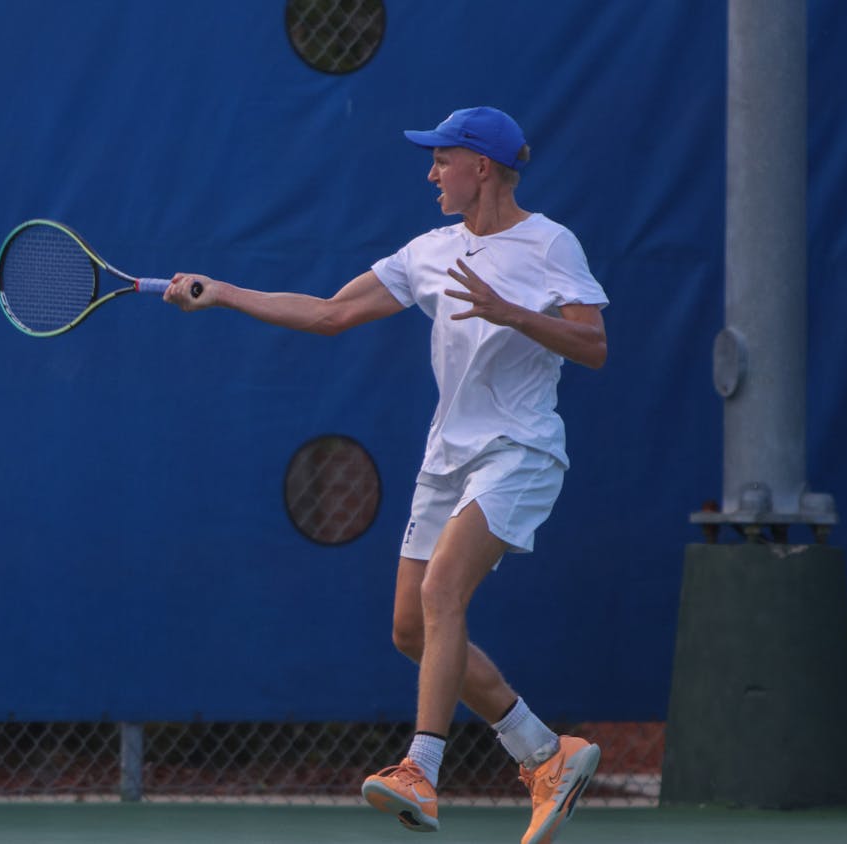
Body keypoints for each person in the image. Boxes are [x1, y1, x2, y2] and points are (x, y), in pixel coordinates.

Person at [163, 106, 607, 843]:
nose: (431, 172)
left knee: (442, 590)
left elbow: (592, 345)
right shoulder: (430, 251)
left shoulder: (550, 243)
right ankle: (543, 752)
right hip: (446, 457)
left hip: (520, 450)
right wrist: (226, 292)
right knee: (410, 627)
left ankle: (420, 771)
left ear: (481, 168)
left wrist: (513, 313)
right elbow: (331, 313)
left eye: (442, 160)